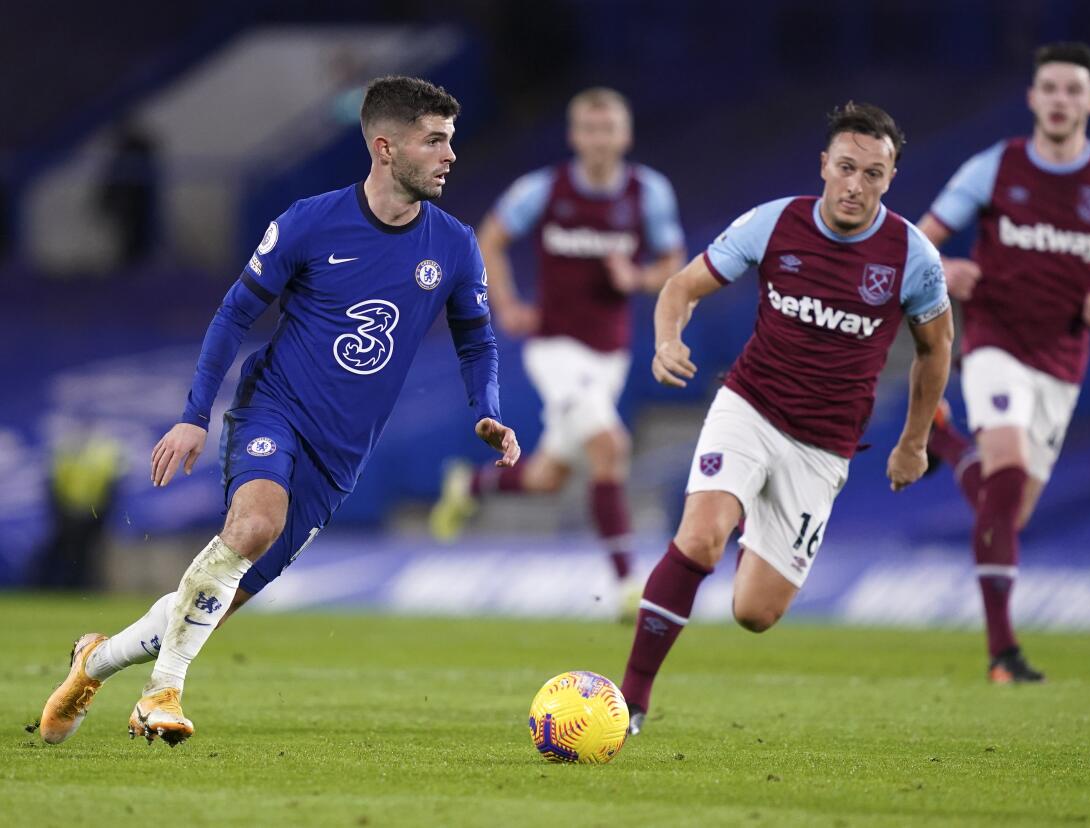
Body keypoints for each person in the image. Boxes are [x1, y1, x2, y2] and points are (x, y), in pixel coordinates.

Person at [36, 76, 520, 747]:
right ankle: (161, 696)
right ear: (385, 147)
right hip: (276, 412)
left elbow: (478, 339)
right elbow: (235, 314)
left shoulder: (454, 246)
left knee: (208, 605)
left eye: (450, 140)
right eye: (434, 140)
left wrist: (487, 410)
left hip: (340, 457)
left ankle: (95, 662)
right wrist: (194, 414)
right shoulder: (310, 221)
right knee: (255, 523)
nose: (450, 155)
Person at [619, 102, 953, 735]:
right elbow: (680, 289)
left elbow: (937, 350)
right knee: (699, 538)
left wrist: (914, 442)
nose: (856, 185)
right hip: (749, 405)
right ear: (824, 164)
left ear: (890, 178)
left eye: (874, 174)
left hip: (823, 446)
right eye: (847, 167)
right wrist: (668, 341)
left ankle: (752, 520)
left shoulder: (912, 256)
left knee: (755, 612)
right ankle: (632, 699)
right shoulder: (774, 223)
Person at [917, 42, 1090, 683]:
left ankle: (943, 438)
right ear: (1032, 97)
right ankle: (1003, 652)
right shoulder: (995, 168)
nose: (1059, 99)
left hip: (1064, 356)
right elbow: (919, 241)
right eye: (1049, 87)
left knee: (1009, 510)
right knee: (1010, 472)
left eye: (1072, 90)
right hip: (995, 341)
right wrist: (948, 268)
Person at [429, 87, 685, 614]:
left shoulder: (648, 193)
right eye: (588, 128)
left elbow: (673, 265)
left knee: (548, 476)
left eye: (607, 128)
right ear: (574, 136)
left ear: (624, 135)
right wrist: (504, 302)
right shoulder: (545, 190)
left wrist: (636, 277)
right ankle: (625, 585)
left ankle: (471, 485)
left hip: (608, 355)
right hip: (555, 349)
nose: (598, 138)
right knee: (610, 444)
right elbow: (490, 237)